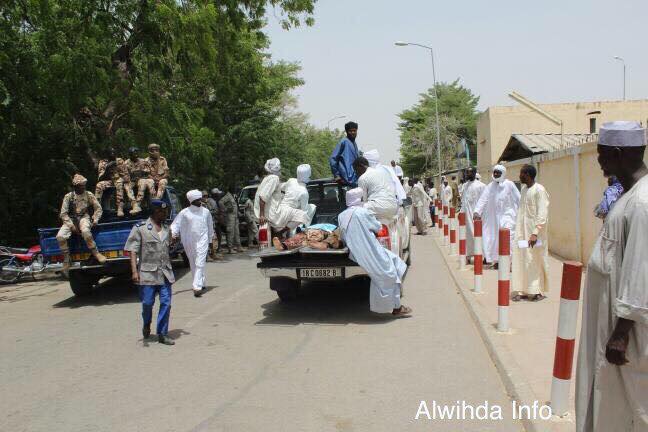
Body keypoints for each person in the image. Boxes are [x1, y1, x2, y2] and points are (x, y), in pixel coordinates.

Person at [575, 121, 648, 432]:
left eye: (602, 155)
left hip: (627, 334)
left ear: (618, 154)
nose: (600, 162)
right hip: (609, 321)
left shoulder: (642, 204)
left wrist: (620, 334)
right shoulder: (628, 196)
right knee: (611, 406)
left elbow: (641, 269)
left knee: (631, 410)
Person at [338, 188, 412, 317]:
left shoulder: (341, 215)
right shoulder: (363, 212)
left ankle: (396, 304)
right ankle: (396, 307)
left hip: (355, 254)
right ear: (360, 199)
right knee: (388, 273)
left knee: (394, 262)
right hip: (370, 251)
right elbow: (377, 227)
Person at [124, 199, 175, 345]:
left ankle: (162, 333)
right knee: (147, 303)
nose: (165, 214)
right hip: (147, 273)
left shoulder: (167, 228)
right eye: (162, 211)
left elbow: (168, 247)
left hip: (165, 272)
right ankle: (147, 323)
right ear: (155, 212)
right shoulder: (140, 228)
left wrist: (173, 242)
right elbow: (133, 251)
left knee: (166, 302)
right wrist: (134, 271)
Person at [511, 165, 550, 302]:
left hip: (535, 236)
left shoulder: (539, 190)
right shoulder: (523, 190)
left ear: (527, 174)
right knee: (523, 260)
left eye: (521, 173)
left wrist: (535, 233)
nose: (519, 175)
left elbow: (542, 214)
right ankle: (523, 290)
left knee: (535, 260)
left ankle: (536, 291)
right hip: (522, 234)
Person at [473, 164, 520, 267]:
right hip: (494, 218)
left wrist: (522, 213)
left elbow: (518, 198)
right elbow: (483, 199)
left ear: (503, 173)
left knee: (508, 238)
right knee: (494, 239)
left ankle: (510, 262)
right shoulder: (490, 186)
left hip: (508, 216)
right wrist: (477, 212)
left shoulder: (509, 184)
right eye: (494, 172)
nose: (496, 174)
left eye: (498, 172)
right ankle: (498, 261)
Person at [57, 174, 105, 272]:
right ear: (76, 186)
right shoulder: (68, 197)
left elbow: (98, 208)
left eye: (84, 185)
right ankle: (67, 260)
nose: (83, 187)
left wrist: (95, 219)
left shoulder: (88, 195)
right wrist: (71, 226)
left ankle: (96, 253)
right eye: (81, 185)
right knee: (60, 236)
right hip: (70, 219)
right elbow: (63, 214)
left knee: (86, 231)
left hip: (84, 217)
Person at [171, 189, 214, 297]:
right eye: (199, 199)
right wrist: (174, 234)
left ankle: (196, 286)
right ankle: (202, 282)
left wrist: (210, 241)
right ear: (192, 200)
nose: (201, 201)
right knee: (193, 262)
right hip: (189, 241)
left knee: (200, 261)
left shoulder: (206, 212)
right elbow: (175, 224)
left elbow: (210, 227)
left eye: (201, 199)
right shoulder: (184, 212)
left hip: (202, 240)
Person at [353, 156, 399, 222]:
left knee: (355, 211)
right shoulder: (382, 172)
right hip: (393, 207)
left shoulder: (362, 178)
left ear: (361, 166)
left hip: (379, 208)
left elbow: (363, 200)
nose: (356, 173)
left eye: (356, 169)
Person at [460, 167, 486, 264]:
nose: (467, 174)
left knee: (478, 235)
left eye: (469, 173)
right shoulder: (465, 185)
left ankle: (482, 256)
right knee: (467, 236)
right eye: (466, 173)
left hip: (477, 216)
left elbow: (484, 201)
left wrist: (479, 213)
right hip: (466, 215)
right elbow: (464, 201)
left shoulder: (481, 186)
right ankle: (468, 255)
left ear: (475, 173)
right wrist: (461, 213)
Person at [95, 147, 127, 217]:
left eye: (114, 152)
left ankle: (120, 208)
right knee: (99, 185)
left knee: (119, 182)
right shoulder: (103, 162)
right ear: (107, 154)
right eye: (111, 153)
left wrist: (119, 176)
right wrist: (107, 168)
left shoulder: (120, 161)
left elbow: (125, 175)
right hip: (108, 181)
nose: (113, 154)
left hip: (119, 179)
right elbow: (100, 178)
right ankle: (97, 209)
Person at [329, 121, 360, 186]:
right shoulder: (344, 142)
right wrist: (336, 175)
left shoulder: (354, 144)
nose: (353, 133)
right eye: (350, 131)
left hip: (355, 179)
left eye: (354, 131)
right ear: (346, 132)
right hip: (346, 180)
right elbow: (333, 158)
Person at [125, 147, 154, 215]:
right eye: (133, 154)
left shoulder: (143, 161)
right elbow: (124, 174)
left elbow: (149, 171)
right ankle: (134, 204)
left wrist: (142, 173)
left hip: (142, 179)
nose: (135, 155)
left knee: (144, 182)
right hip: (131, 181)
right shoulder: (126, 163)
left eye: (136, 153)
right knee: (126, 186)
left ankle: (152, 203)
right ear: (130, 155)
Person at [219, 187, 244, 253]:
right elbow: (220, 202)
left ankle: (238, 246)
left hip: (235, 217)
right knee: (230, 232)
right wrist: (225, 209)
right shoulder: (227, 196)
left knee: (237, 232)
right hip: (230, 217)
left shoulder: (233, 196)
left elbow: (235, 206)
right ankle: (230, 248)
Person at [202, 190, 222, 259]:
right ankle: (207, 256)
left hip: (211, 224)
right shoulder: (201, 205)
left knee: (212, 240)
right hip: (204, 226)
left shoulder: (207, 204)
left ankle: (213, 254)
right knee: (206, 241)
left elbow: (212, 212)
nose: (205, 197)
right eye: (204, 196)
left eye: (206, 196)